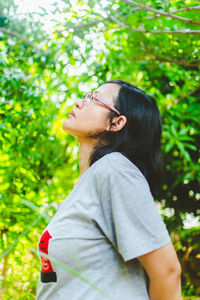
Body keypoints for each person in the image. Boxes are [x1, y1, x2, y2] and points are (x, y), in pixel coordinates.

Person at [36, 80, 182, 300]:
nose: (78, 103)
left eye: (93, 98)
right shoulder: (88, 184)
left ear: (116, 123)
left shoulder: (115, 170)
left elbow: (167, 273)